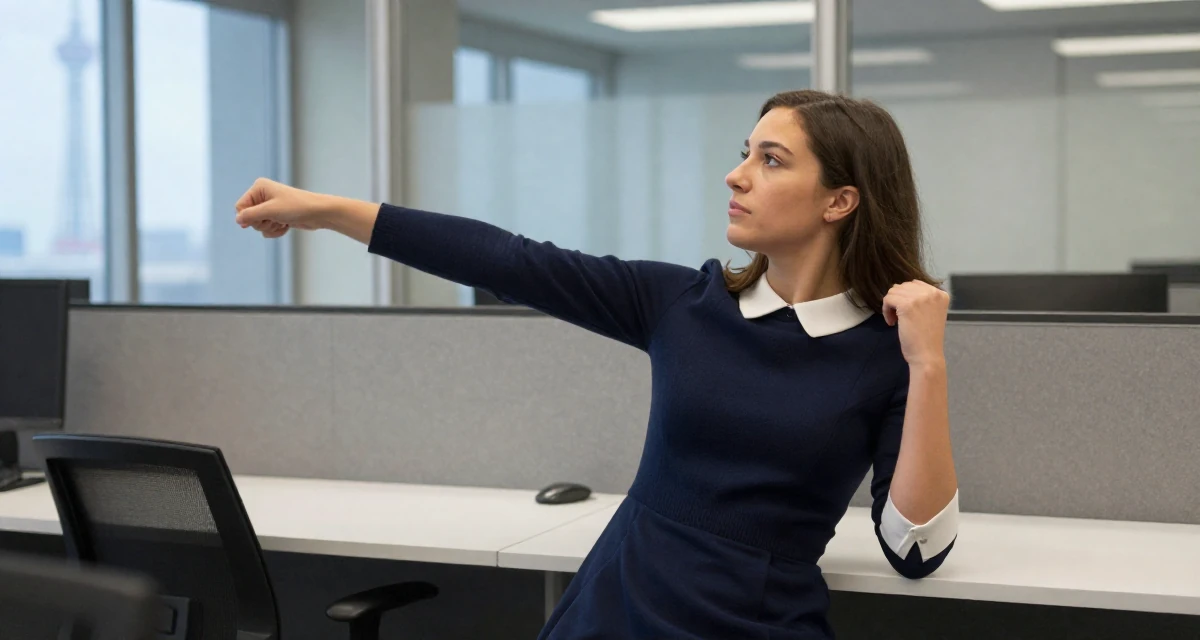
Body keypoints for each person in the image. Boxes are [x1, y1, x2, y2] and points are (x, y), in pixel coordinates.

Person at [235, 89, 959, 639]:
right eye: (745, 152)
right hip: (618, 610)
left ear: (840, 200)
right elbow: (508, 260)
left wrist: (927, 366)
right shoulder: (683, 301)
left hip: (757, 624)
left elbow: (915, 550)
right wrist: (327, 210)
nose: (736, 176)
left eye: (770, 160)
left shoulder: (885, 350)